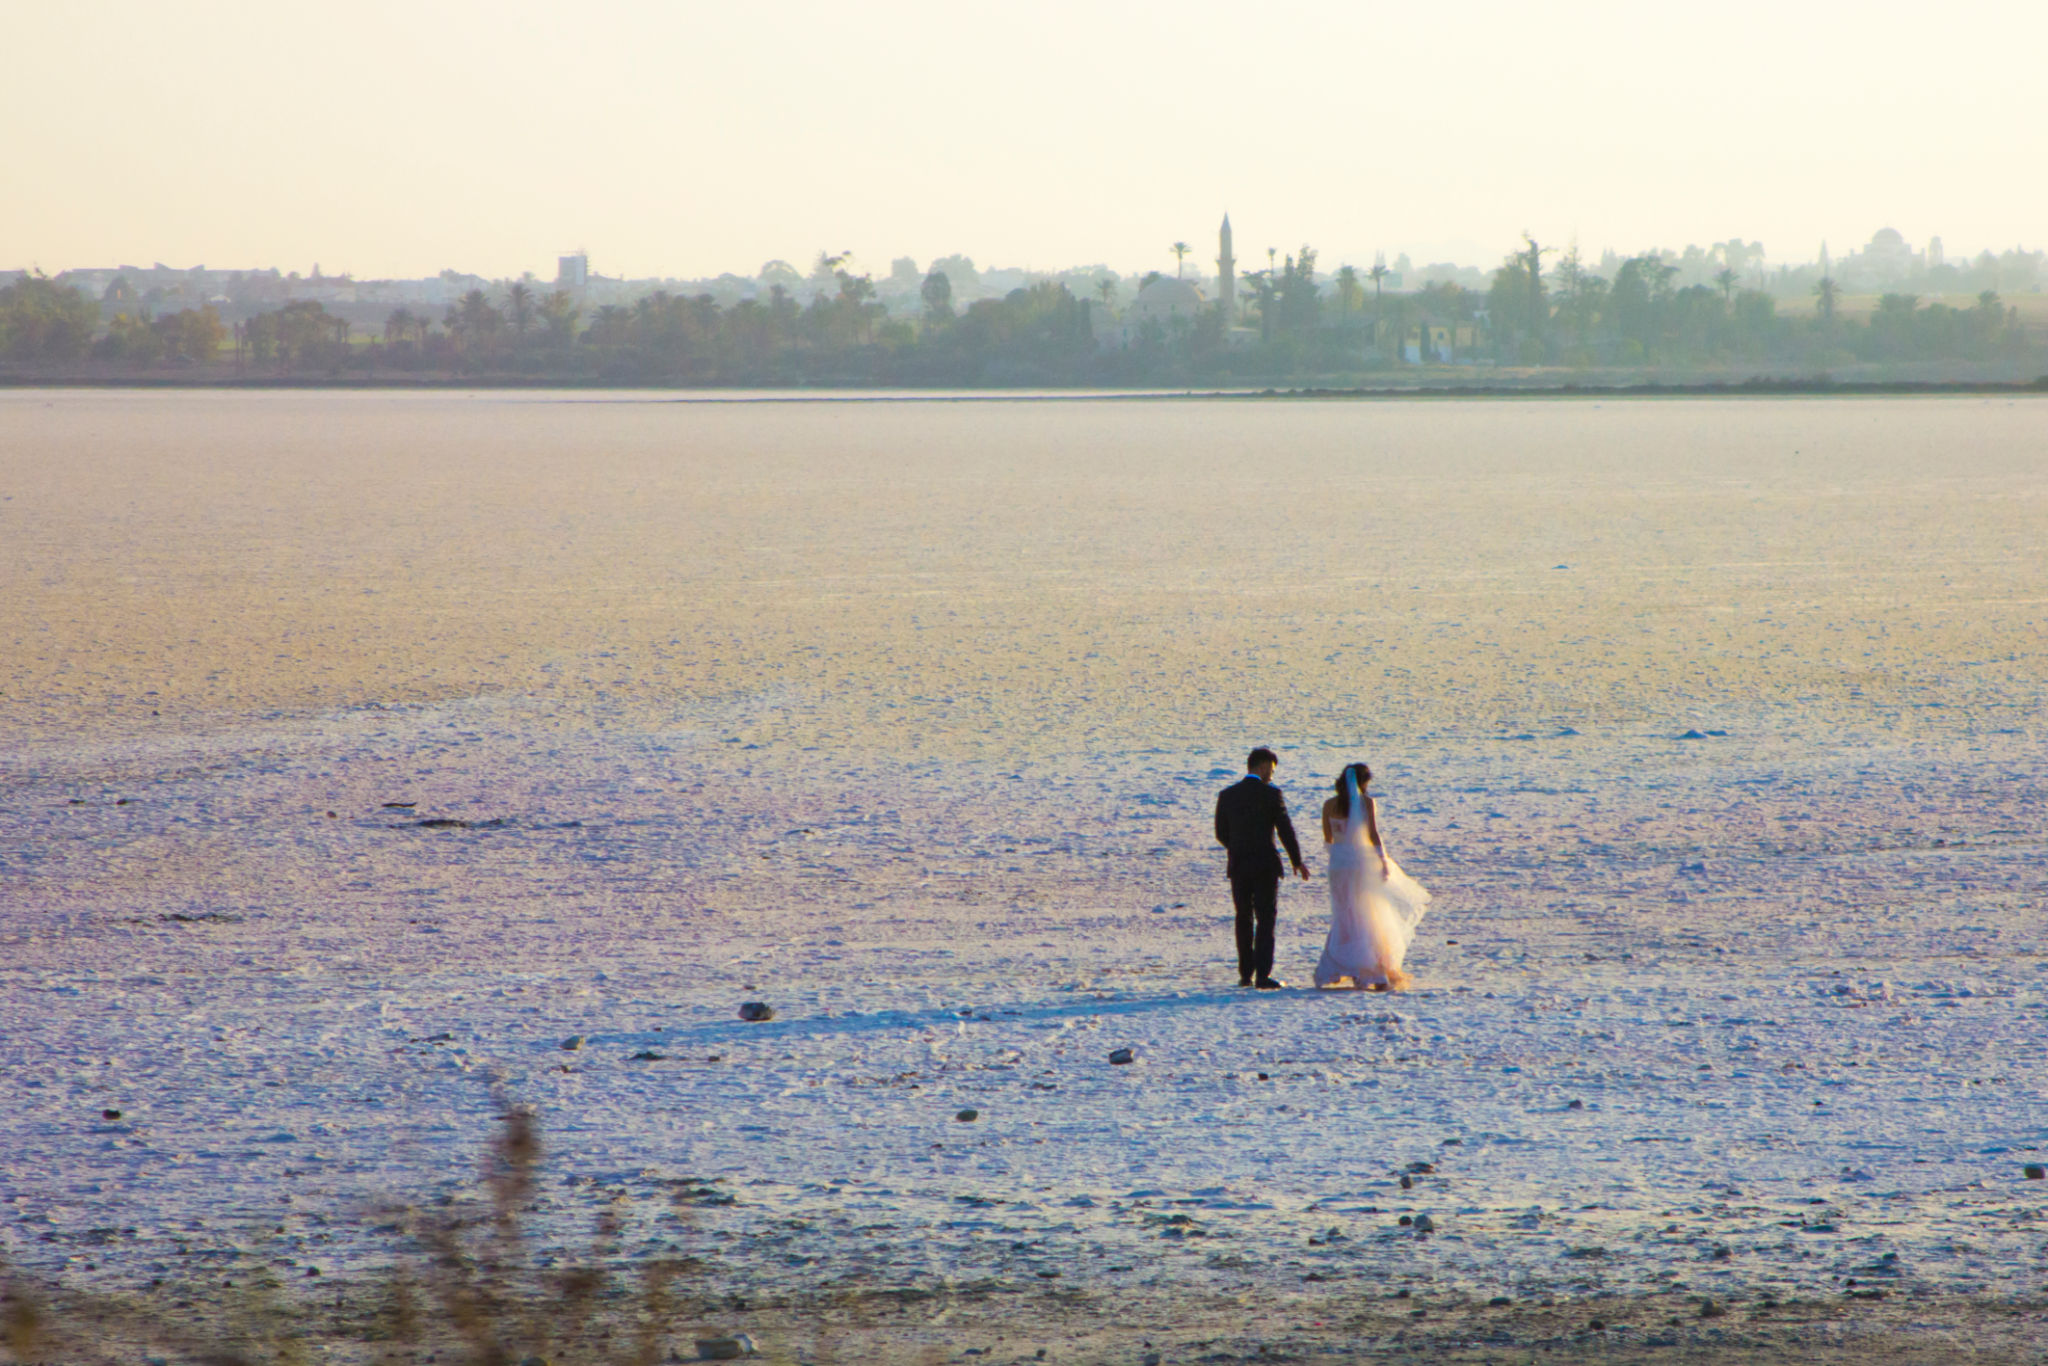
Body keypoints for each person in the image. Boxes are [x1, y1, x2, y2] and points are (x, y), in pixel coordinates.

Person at [1314, 762, 1430, 990]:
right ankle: (1368, 969)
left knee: (1344, 915)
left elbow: (1327, 837)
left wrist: (1339, 851)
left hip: (1337, 865)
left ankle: (1341, 965)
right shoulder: (1366, 803)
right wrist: (1383, 860)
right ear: (1363, 783)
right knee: (1366, 913)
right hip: (1359, 864)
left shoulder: (1329, 804)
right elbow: (1373, 833)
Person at [1213, 747, 1308, 989]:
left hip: (1239, 865)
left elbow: (1220, 833)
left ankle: (1245, 974)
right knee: (1266, 919)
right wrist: (1296, 860)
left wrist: (1236, 847)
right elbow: (1285, 830)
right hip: (1266, 865)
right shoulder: (1271, 794)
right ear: (1263, 765)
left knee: (1243, 918)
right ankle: (1263, 975)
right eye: (1272, 770)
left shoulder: (1227, 795)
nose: (1272, 775)